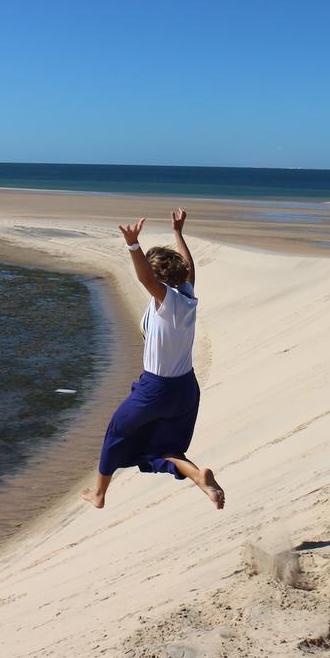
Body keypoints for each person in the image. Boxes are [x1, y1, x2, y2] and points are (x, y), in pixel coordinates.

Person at [81, 208, 225, 510]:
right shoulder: (187, 296)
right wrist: (178, 233)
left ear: (159, 279)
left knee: (116, 433)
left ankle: (99, 495)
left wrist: (133, 246)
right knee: (164, 449)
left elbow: (146, 279)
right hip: (186, 389)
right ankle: (200, 478)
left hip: (156, 390)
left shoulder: (167, 302)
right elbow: (189, 267)